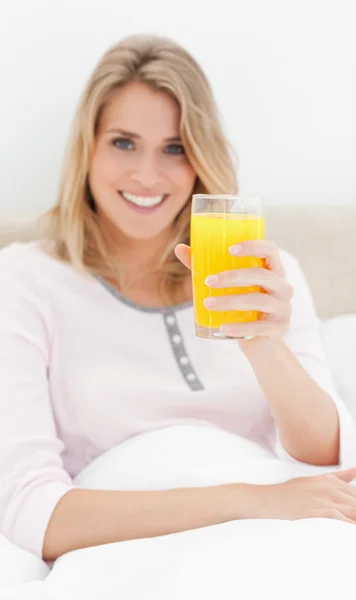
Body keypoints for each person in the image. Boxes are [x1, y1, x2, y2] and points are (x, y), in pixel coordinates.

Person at [1, 34, 356, 564]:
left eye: (175, 148)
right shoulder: (26, 279)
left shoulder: (262, 271)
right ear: (88, 149)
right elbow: (33, 511)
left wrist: (265, 348)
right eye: (123, 142)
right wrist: (250, 503)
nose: (148, 175)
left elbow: (325, 454)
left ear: (200, 159)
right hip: (138, 550)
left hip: (280, 536)